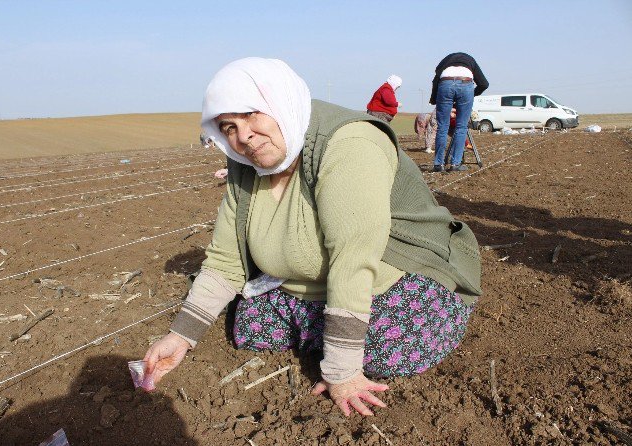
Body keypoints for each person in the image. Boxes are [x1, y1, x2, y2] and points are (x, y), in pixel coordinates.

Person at [143, 57, 482, 417]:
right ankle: (329, 328)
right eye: (228, 127)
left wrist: (342, 372)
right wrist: (180, 337)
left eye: (253, 114)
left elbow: (353, 260)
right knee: (246, 326)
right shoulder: (246, 162)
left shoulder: (348, 143)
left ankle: (341, 334)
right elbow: (226, 260)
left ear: (280, 101)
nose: (243, 136)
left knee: (388, 351)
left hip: (385, 279)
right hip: (302, 286)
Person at [429, 52, 488, 173]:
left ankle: (438, 165)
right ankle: (455, 164)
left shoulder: (444, 64)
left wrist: (434, 99)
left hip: (445, 84)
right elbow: (484, 84)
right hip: (466, 83)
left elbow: (435, 81)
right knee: (461, 127)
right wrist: (471, 94)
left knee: (442, 127)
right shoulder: (471, 61)